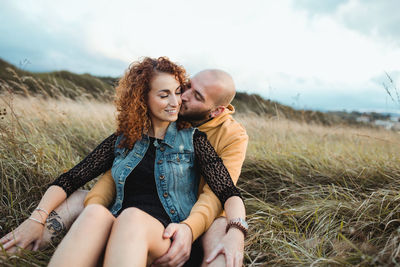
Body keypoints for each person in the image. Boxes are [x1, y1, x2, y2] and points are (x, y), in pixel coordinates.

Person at [0, 57, 247, 266]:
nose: (178, 100)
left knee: (131, 217)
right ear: (143, 99)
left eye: (180, 93)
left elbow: (226, 192)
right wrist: (37, 218)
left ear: (216, 110)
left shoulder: (195, 140)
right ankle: (16, 248)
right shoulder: (124, 139)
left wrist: (236, 231)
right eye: (168, 93)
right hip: (120, 219)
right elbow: (73, 178)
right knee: (95, 212)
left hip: (167, 230)